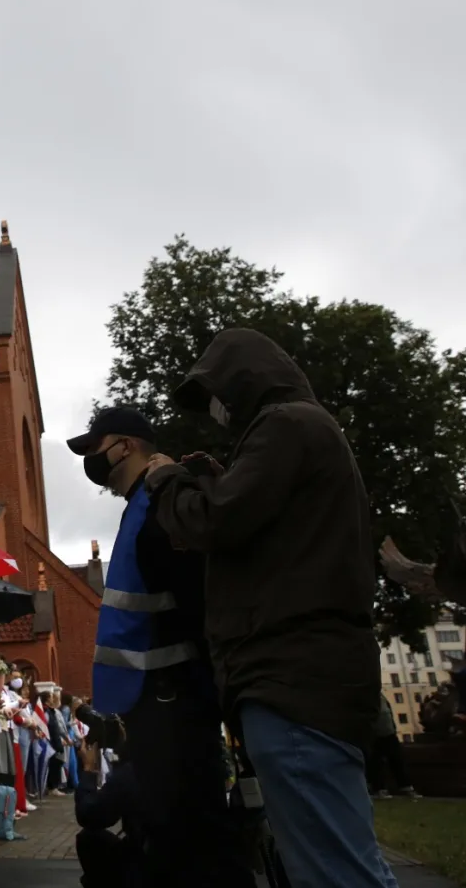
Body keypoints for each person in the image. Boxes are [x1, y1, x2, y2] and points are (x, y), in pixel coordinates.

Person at [146, 328, 396, 888]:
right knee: (333, 857)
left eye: (215, 394)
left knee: (334, 868)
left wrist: (167, 482)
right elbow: (261, 527)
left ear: (239, 381)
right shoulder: (305, 428)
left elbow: (217, 523)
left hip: (291, 678)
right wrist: (214, 480)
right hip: (305, 676)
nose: (215, 411)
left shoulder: (286, 426)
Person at [68, 405, 253, 887]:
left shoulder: (158, 503)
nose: (91, 457)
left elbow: (194, 601)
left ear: (124, 446)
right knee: (169, 836)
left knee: (194, 836)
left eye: (95, 446)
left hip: (174, 703)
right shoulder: (140, 504)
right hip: (155, 704)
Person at [74, 741, 146, 888]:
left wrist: (88, 769)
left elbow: (89, 814)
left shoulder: (138, 768)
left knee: (88, 839)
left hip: (148, 860)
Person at [367, 691, 416, 799]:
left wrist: (393, 727)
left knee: (397, 760)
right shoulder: (366, 695)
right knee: (376, 762)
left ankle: (405, 787)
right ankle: (380, 789)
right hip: (375, 733)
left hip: (388, 732)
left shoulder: (380, 695)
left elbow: (389, 710)